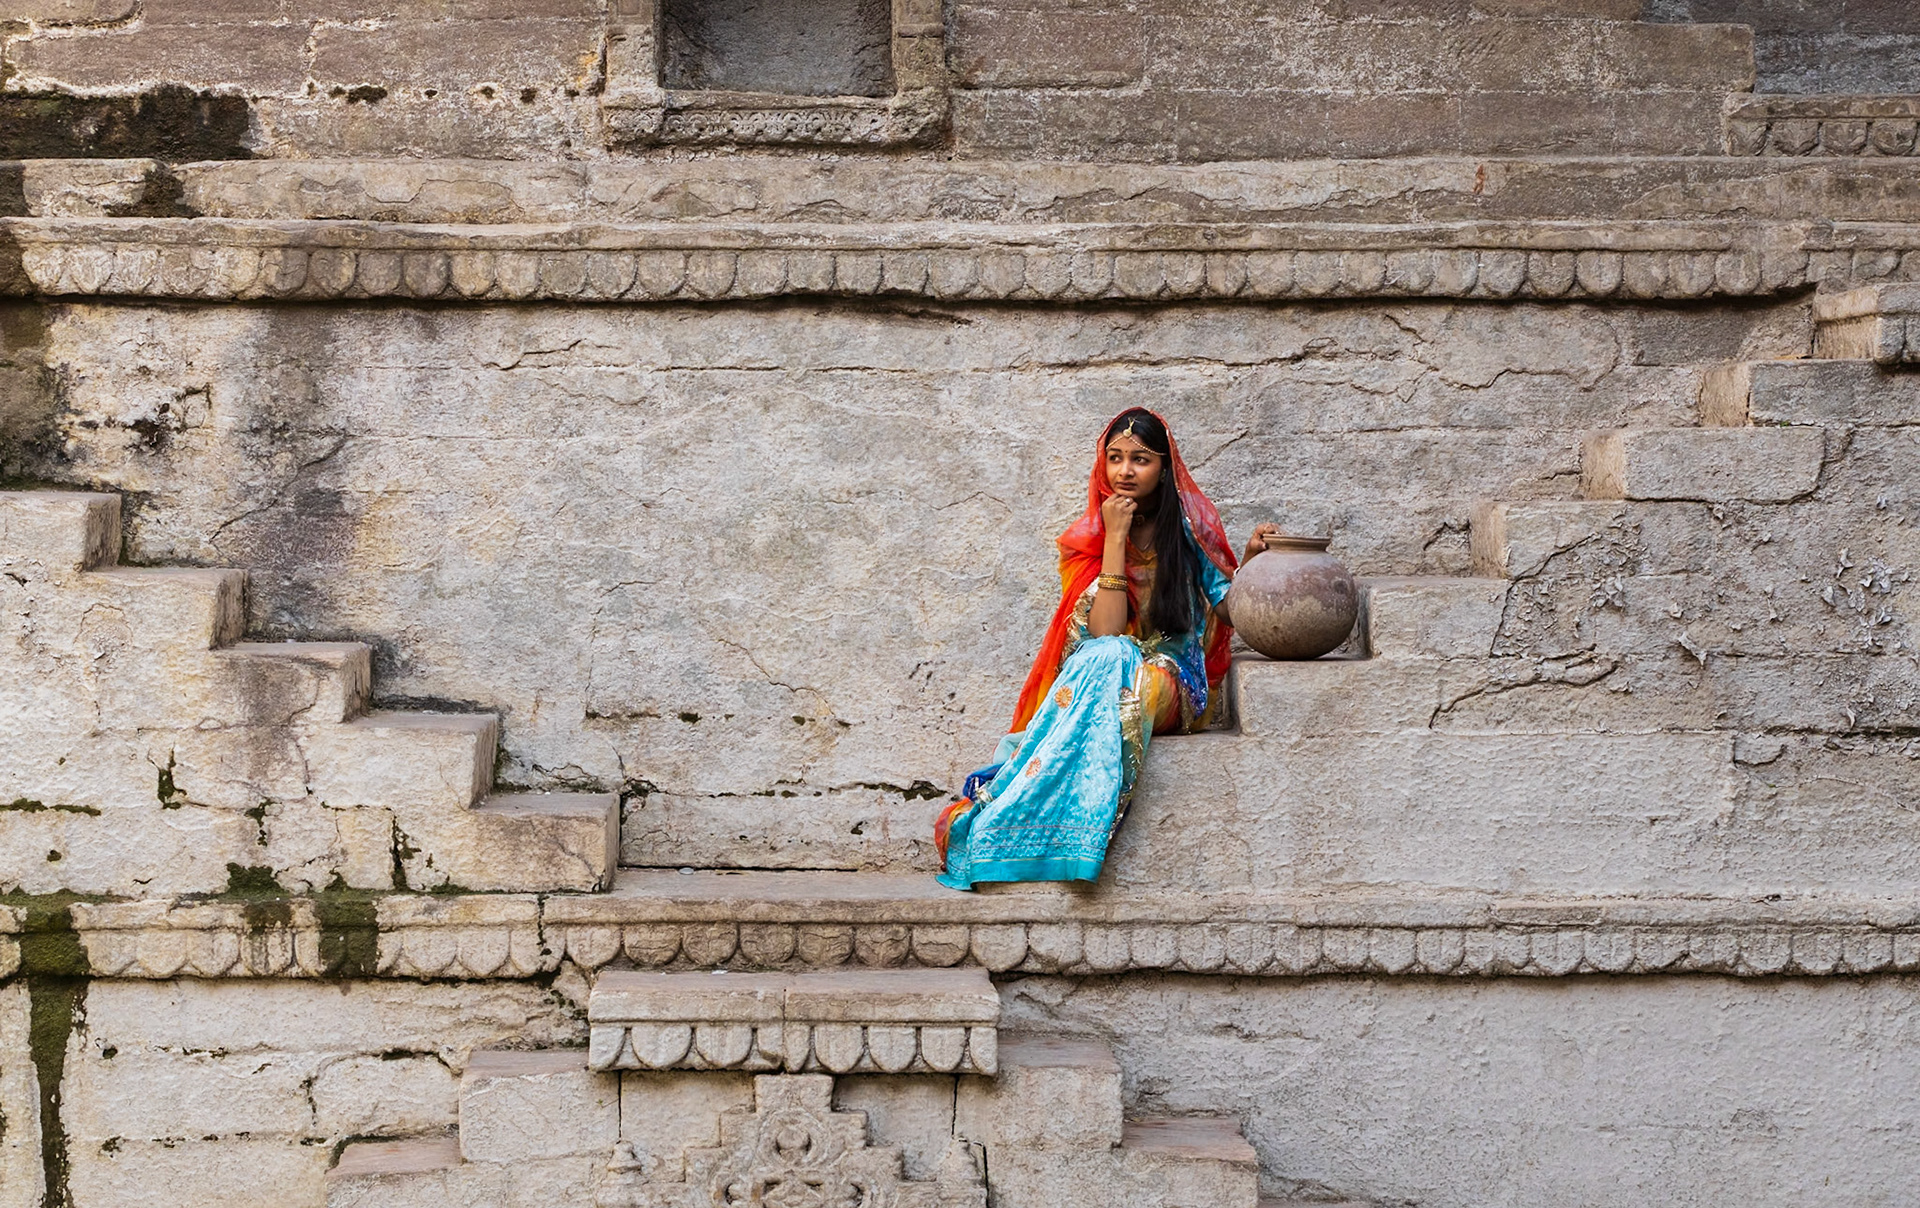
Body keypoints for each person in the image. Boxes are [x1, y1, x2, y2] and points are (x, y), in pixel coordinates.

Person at [934, 408, 1278, 891]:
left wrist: (1252, 565)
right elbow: (1106, 632)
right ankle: (1027, 830)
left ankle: (1075, 839)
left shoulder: (1189, 529)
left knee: (1111, 659)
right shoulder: (1093, 537)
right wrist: (1115, 536)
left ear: (1164, 467)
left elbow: (1226, 612)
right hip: (1107, 669)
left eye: (1141, 459)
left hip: (1174, 678)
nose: (1125, 471)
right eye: (1115, 458)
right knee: (1108, 653)